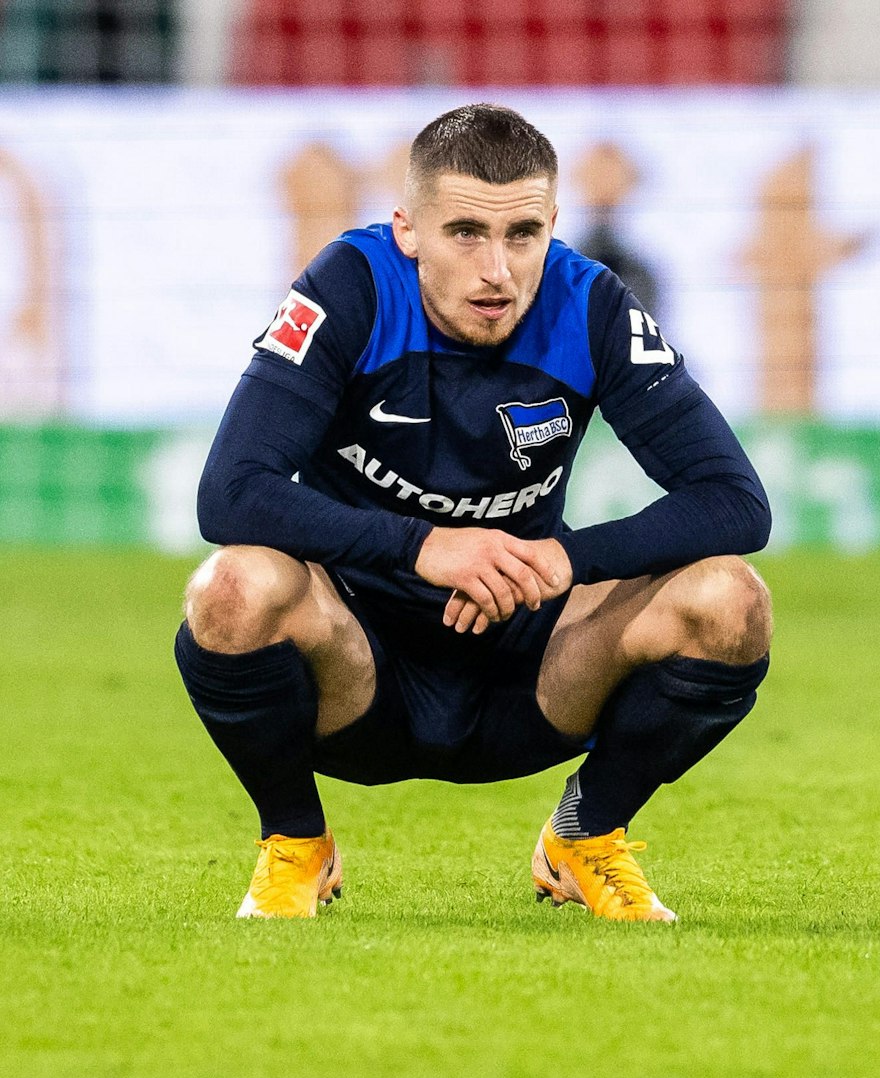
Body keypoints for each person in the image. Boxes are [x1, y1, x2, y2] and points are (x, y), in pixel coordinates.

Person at [177, 104, 773, 923]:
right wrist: (422, 545)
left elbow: (735, 500)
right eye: (465, 233)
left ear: (552, 225)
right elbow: (231, 490)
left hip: (531, 664)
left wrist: (566, 559)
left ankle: (586, 834)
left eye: (523, 235)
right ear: (408, 230)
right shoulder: (351, 288)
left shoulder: (589, 304)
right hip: (357, 663)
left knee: (731, 601)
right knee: (232, 588)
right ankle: (296, 843)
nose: (497, 271)